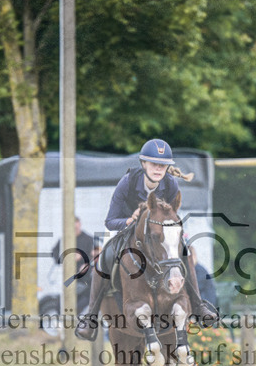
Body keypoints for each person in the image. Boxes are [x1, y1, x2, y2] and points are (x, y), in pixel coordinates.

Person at [74, 138, 218, 341]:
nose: (158, 169)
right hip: (125, 228)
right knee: (105, 256)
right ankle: (90, 317)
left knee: (184, 250)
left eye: (162, 165)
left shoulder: (170, 184)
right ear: (143, 164)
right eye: (154, 164)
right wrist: (130, 220)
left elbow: (171, 214)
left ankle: (199, 305)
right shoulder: (128, 182)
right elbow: (110, 220)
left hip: (156, 233)